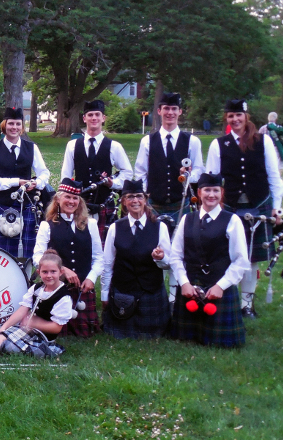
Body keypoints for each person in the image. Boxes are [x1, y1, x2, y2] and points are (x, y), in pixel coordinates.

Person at [205, 99, 283, 318]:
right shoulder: (218, 144)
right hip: (229, 207)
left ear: (246, 117)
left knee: (251, 258)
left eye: (239, 115)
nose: (235, 119)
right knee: (229, 256)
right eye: (231, 116)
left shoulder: (263, 141)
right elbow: (211, 181)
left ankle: (246, 305)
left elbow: (274, 176)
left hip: (258, 205)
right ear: (227, 119)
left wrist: (276, 208)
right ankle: (227, 299)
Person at [133, 92, 203, 299]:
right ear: (159, 111)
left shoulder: (192, 141)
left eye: (174, 109)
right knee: (154, 250)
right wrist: (144, 199)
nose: (170, 113)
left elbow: (200, 170)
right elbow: (141, 172)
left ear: (180, 112)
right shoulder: (148, 141)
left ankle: (174, 296)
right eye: (166, 109)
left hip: (179, 204)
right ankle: (155, 294)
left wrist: (189, 175)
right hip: (154, 204)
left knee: (178, 250)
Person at [169, 173, 250, 347]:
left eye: (216, 190)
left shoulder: (232, 220)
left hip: (220, 289)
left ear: (221, 193)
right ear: (199, 192)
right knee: (184, 339)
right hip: (191, 289)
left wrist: (221, 286)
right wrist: (184, 283)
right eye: (207, 190)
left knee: (222, 343)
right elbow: (175, 256)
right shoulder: (186, 219)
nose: (211, 195)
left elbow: (241, 260)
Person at [100, 179, 172, 339]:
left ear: (146, 199)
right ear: (124, 202)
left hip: (151, 293)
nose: (135, 201)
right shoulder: (115, 228)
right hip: (123, 292)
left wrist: (160, 258)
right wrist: (104, 295)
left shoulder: (160, 227)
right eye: (130, 197)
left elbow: (169, 264)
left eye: (139, 196)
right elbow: (107, 263)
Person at [32, 178, 103, 338]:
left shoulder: (90, 224)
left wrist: (91, 279)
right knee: (55, 332)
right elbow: (37, 257)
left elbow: (99, 258)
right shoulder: (46, 226)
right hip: (56, 287)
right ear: (58, 199)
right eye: (67, 197)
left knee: (85, 334)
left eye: (75, 198)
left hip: (83, 289)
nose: (71, 201)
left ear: (80, 201)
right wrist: (61, 269)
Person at [60, 100, 132, 243]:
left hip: (104, 202)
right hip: (79, 203)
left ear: (103, 118)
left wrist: (113, 183)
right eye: (90, 115)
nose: (94, 118)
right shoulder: (72, 145)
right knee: (79, 243)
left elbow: (127, 173)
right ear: (84, 118)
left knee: (104, 244)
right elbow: (66, 176)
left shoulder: (114, 146)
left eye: (97, 115)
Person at [0, 107, 51, 259]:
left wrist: (37, 183)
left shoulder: (31, 148)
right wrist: (17, 182)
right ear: (4, 125)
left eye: (18, 124)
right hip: (0, 206)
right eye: (11, 124)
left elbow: (44, 173)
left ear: (22, 126)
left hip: (25, 206)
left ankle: (25, 281)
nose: (14, 127)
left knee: (26, 253)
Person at [0, 249, 71, 357]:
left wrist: (34, 323)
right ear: (39, 272)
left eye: (53, 271)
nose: (49, 275)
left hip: (41, 337)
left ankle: (39, 351)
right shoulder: (37, 288)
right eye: (45, 272)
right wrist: (3, 328)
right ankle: (9, 346)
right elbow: (22, 310)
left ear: (61, 272)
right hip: (26, 330)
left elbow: (56, 328)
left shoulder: (63, 296)